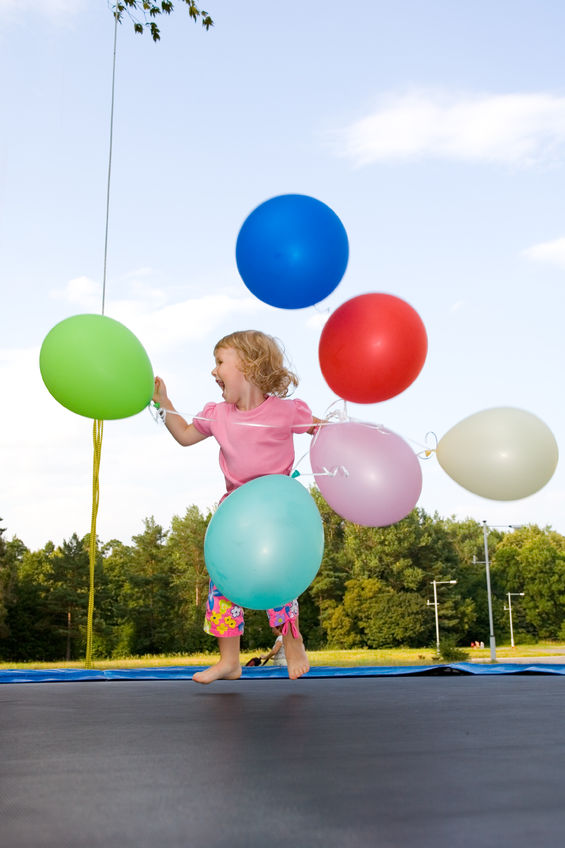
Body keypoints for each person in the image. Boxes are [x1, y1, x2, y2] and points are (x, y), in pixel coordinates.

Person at [152, 329, 320, 685]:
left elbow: (322, 429)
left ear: (248, 363)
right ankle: (229, 660)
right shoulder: (218, 415)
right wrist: (163, 401)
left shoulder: (286, 412)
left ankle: (293, 643)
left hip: (277, 518)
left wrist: (351, 438)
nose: (214, 372)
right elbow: (183, 435)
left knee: (279, 582)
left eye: (219, 362)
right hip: (235, 520)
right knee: (223, 586)